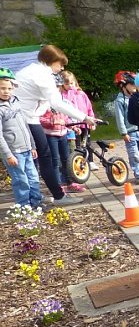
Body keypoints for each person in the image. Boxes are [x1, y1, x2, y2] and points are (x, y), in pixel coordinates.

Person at [14, 44, 97, 206]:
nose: (62, 67)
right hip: (27, 120)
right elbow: (57, 103)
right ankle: (58, 196)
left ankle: (35, 196)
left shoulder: (30, 70)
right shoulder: (42, 76)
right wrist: (84, 117)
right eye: (60, 63)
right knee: (43, 157)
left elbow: (44, 102)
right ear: (50, 60)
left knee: (32, 160)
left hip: (24, 119)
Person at [0, 68, 42, 208]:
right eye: (2, 88)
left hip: (27, 149)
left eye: (9, 88)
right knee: (21, 180)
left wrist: (33, 145)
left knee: (33, 178)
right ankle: (24, 208)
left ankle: (36, 203)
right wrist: (8, 155)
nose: (6, 91)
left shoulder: (15, 102)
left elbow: (25, 125)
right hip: (14, 152)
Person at [41, 73, 80, 193]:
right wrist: (50, 122)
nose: (57, 90)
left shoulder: (61, 100)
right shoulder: (43, 102)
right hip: (50, 135)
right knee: (55, 160)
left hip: (63, 133)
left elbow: (66, 117)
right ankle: (58, 185)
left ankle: (70, 182)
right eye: (54, 88)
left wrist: (73, 127)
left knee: (67, 159)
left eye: (58, 87)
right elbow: (39, 118)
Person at [113, 70, 139, 184]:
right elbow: (120, 118)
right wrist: (123, 132)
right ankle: (138, 174)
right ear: (122, 86)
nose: (135, 86)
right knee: (134, 154)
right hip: (130, 133)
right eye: (132, 84)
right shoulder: (120, 101)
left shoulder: (137, 97)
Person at [59, 71, 93, 192]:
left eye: (72, 83)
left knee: (71, 156)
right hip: (63, 130)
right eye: (67, 84)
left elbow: (86, 107)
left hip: (72, 129)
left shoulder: (78, 93)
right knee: (62, 158)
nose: (70, 86)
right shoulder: (60, 95)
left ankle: (71, 181)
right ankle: (63, 182)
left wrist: (89, 119)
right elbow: (65, 112)